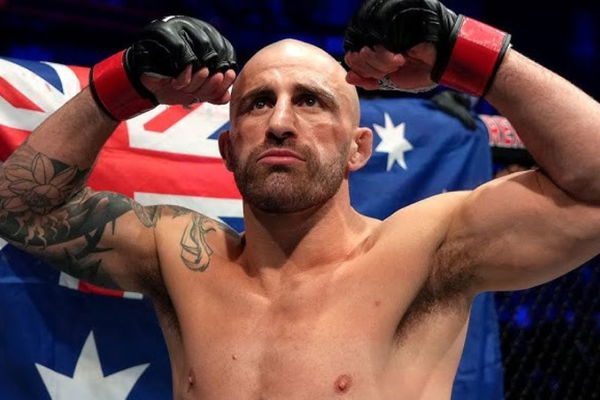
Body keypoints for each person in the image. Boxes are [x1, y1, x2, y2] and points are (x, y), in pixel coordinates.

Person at [1, 1, 599, 398]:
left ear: (358, 149)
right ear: (229, 148)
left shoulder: (426, 250)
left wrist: (466, 51)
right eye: (258, 103)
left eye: (310, 101)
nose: (280, 123)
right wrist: (123, 82)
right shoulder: (185, 258)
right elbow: (20, 210)